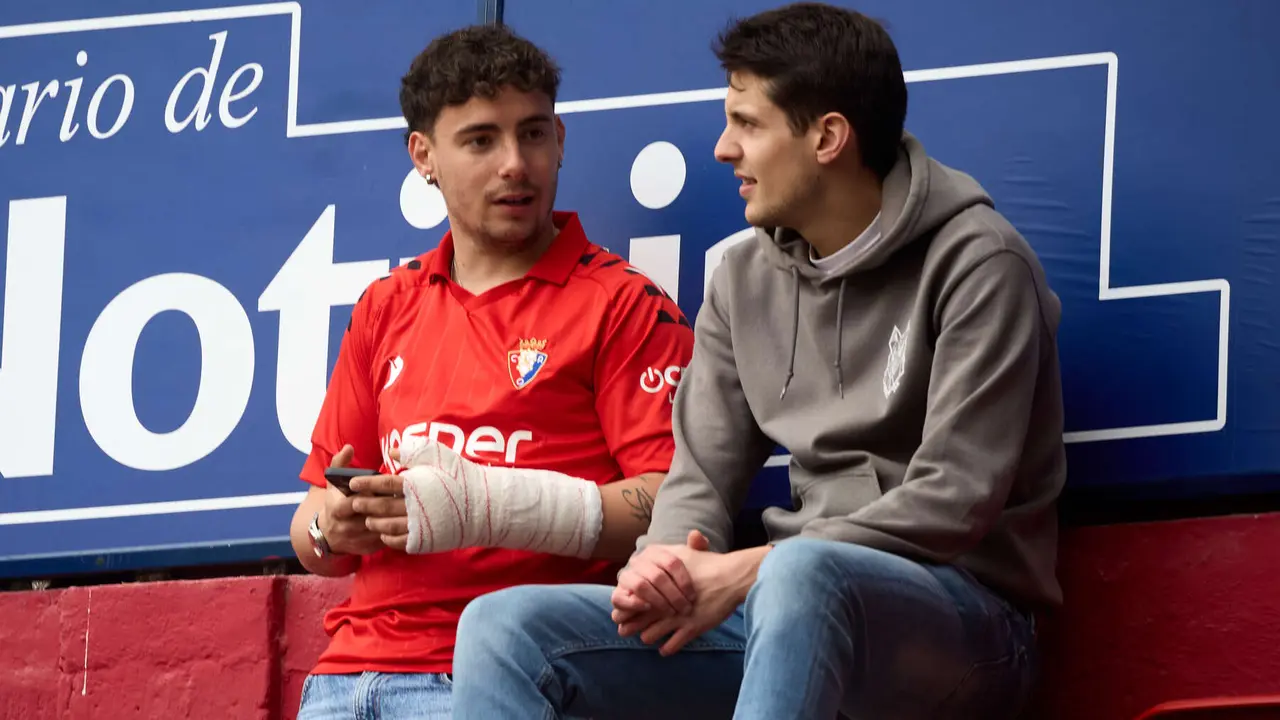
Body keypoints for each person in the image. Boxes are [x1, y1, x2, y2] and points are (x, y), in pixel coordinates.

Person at [449, 3, 1067, 719]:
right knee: (503, 629)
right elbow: (698, 475)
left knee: (804, 571)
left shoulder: (979, 263)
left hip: (968, 623)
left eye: (747, 123)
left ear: (828, 138)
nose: (723, 148)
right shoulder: (743, 281)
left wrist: (751, 569)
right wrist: (663, 562)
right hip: (785, 606)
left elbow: (952, 501)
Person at [286, 24, 695, 719]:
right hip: (343, 680)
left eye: (533, 134)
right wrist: (337, 527)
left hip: (497, 678)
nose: (516, 163)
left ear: (560, 139)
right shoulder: (386, 306)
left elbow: (673, 505)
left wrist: (494, 504)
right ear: (425, 156)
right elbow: (309, 530)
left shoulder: (625, 305)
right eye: (481, 141)